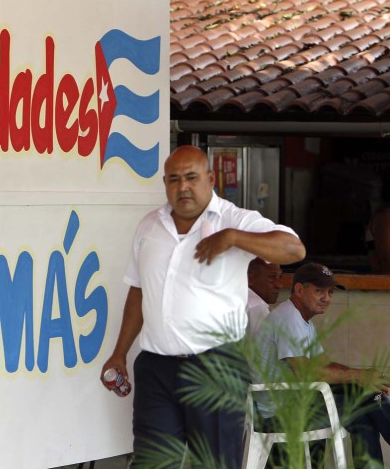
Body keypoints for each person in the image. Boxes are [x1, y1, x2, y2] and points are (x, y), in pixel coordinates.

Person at [101, 145, 305, 469]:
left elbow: (294, 249)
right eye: (174, 179)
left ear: (211, 179)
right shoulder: (149, 226)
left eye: (192, 178)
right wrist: (119, 352)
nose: (183, 187)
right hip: (157, 368)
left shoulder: (234, 219)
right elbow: (139, 292)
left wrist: (234, 237)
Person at [255, 262, 390, 468]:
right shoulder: (289, 318)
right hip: (278, 414)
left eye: (330, 292)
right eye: (319, 291)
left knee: (364, 403)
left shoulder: (301, 319)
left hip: (296, 402)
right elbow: (305, 373)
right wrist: (359, 378)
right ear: (299, 289)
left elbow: (325, 364)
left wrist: (367, 378)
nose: (326, 298)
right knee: (365, 402)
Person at [246, 257, 283, 337]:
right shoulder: (256, 306)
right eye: (272, 277)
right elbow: (263, 348)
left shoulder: (236, 298)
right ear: (250, 278)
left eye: (280, 277)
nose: (279, 285)